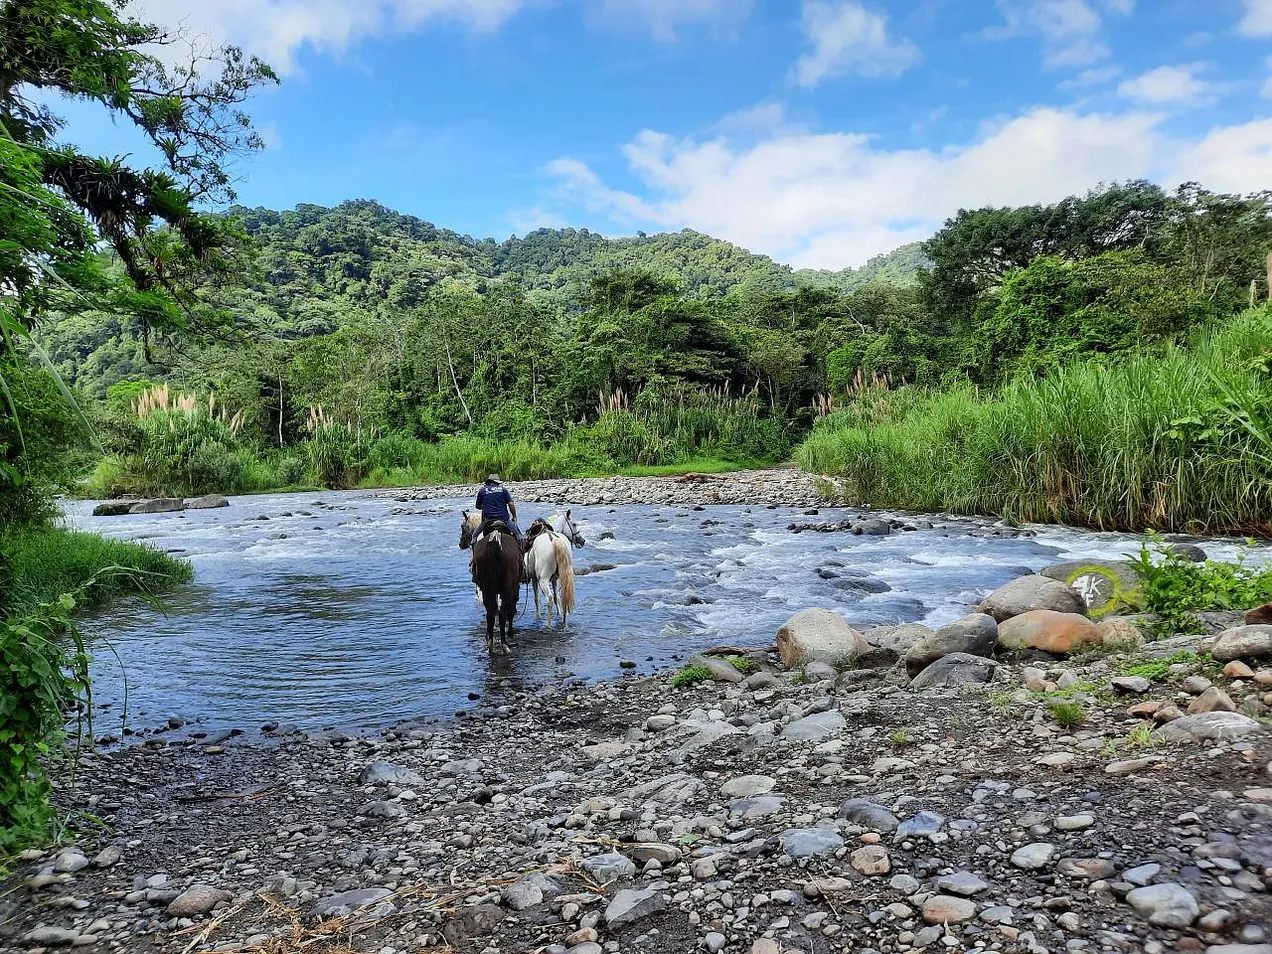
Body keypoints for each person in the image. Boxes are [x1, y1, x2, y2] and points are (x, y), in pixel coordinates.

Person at [474, 474, 522, 544]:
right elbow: (511, 504)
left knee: (475, 534)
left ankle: (473, 539)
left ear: (488, 482)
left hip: (488, 520)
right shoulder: (503, 490)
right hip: (504, 519)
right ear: (497, 482)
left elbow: (477, 506)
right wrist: (514, 516)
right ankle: (521, 542)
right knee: (518, 535)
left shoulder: (482, 491)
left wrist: (486, 507)